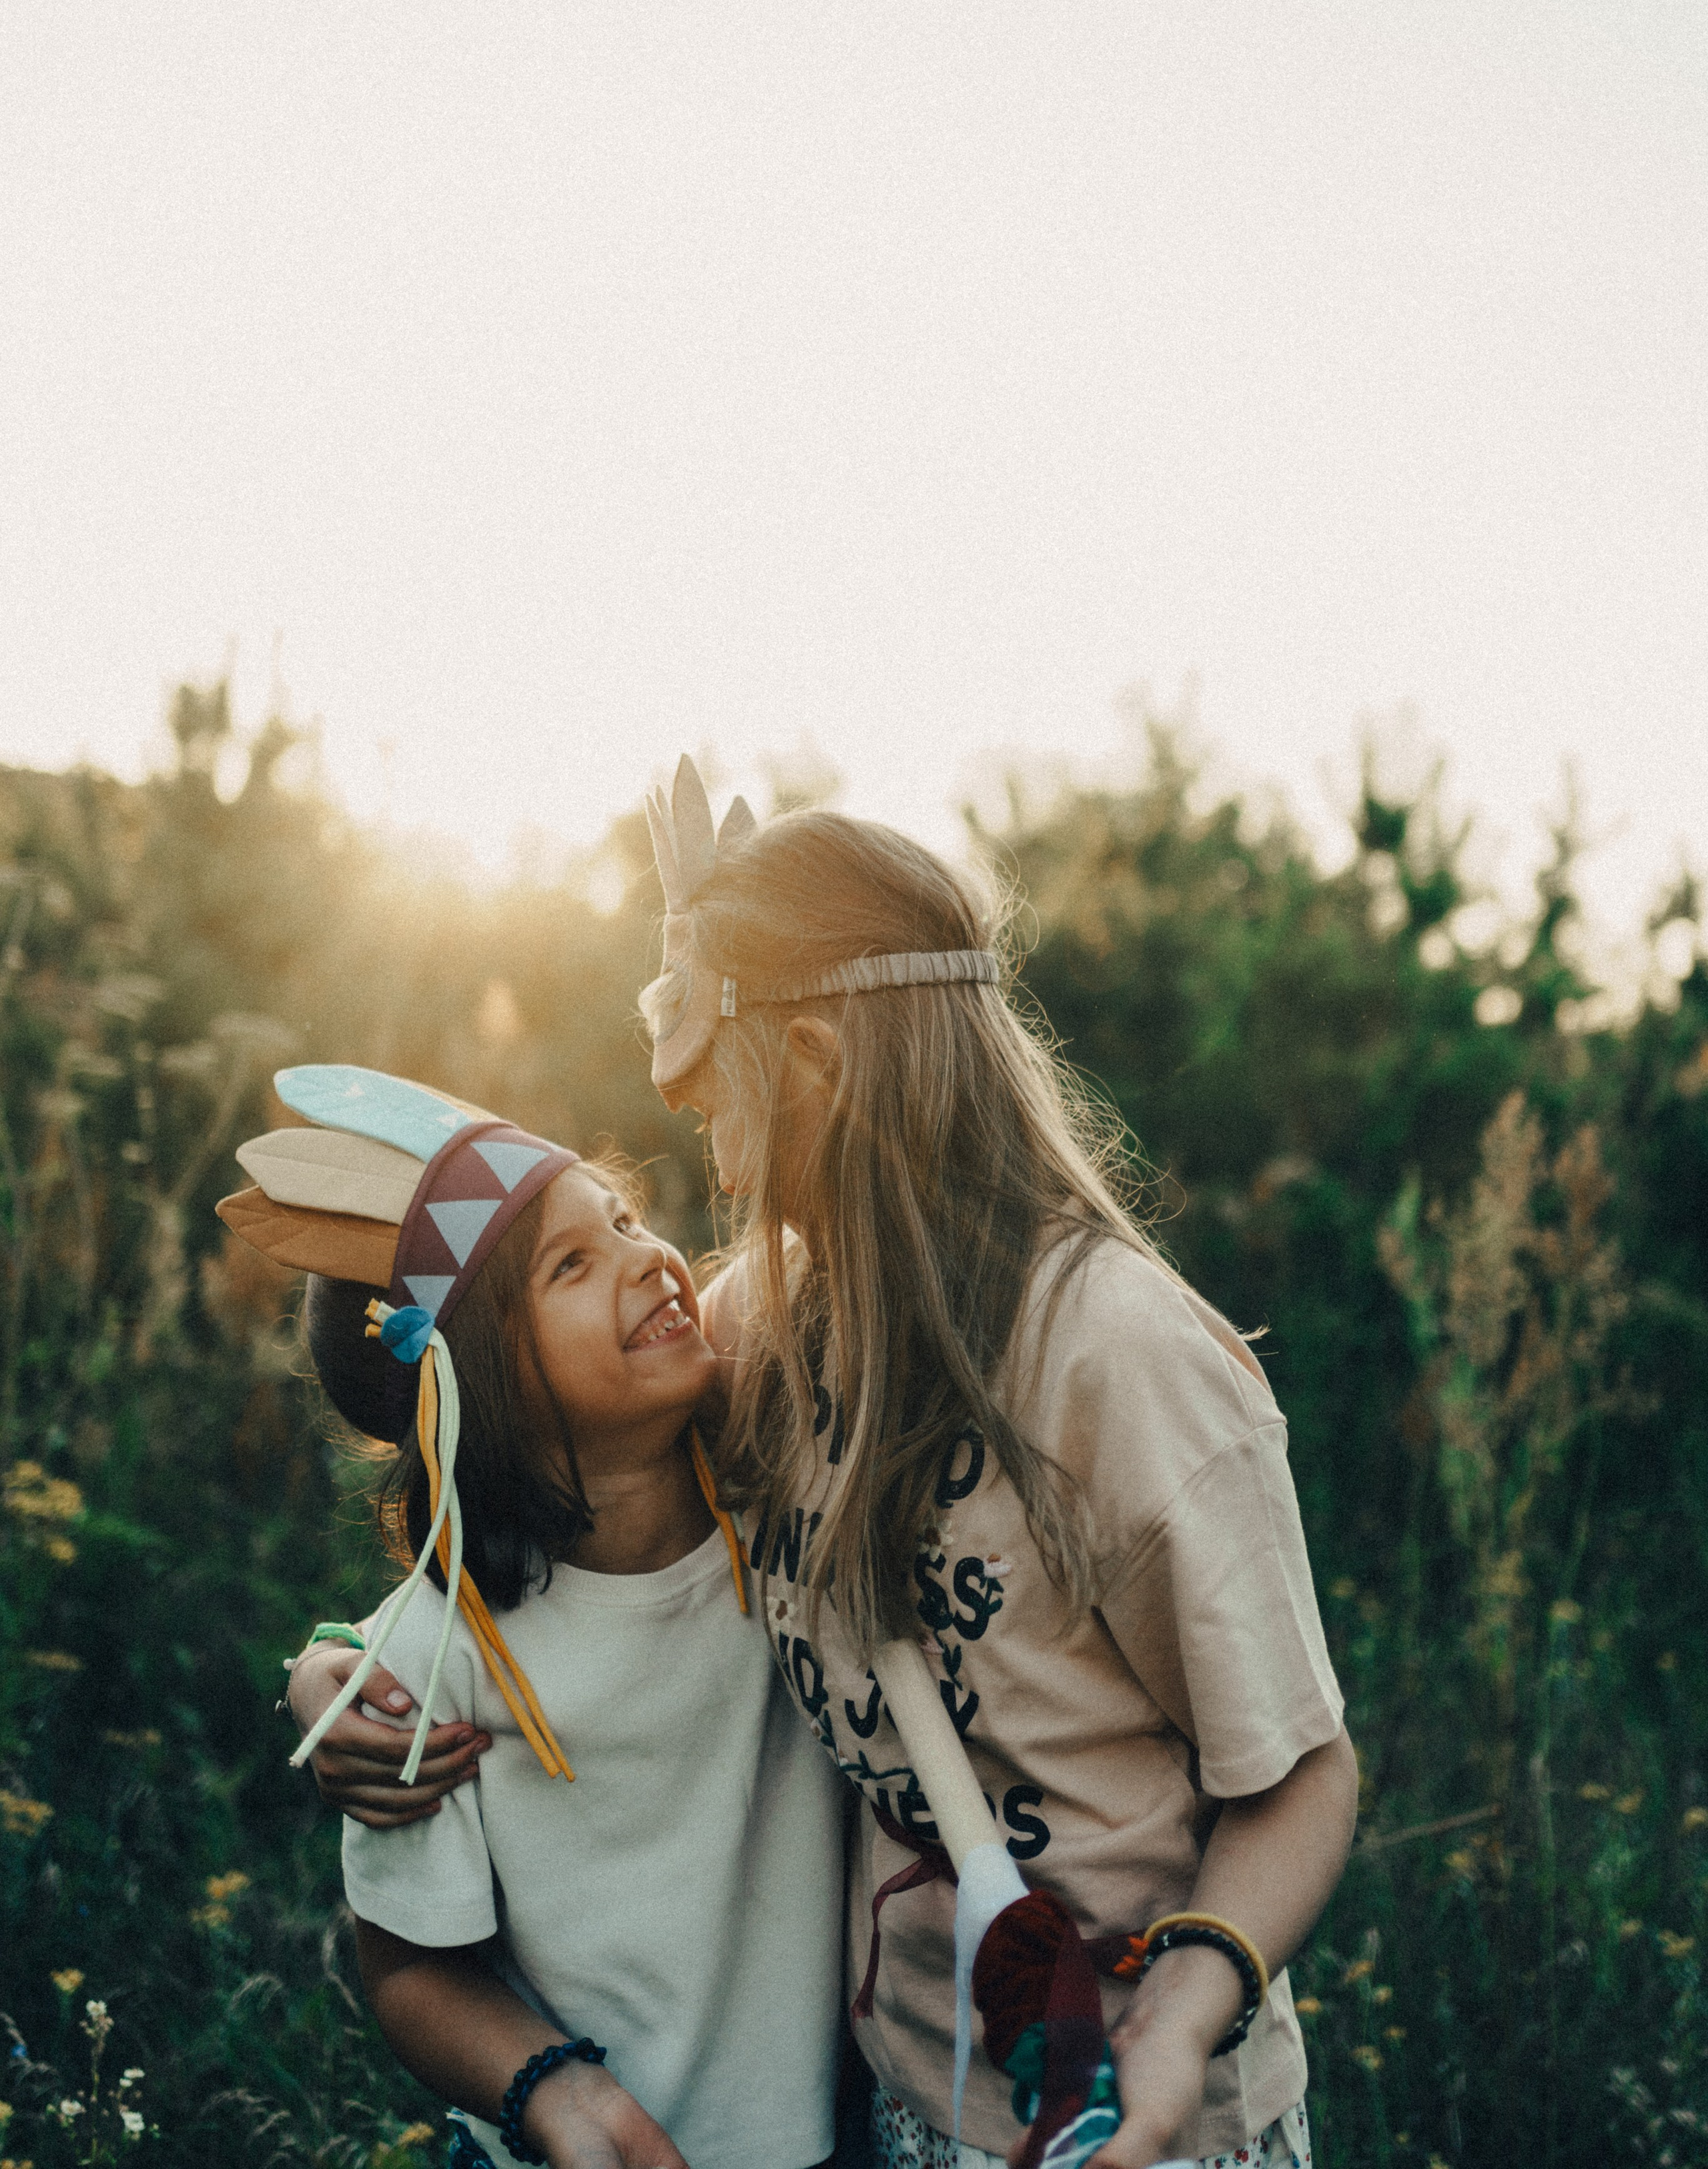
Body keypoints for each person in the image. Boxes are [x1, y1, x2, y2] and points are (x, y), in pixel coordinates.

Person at [306, 764, 1358, 2169]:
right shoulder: (764, 1328)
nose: (715, 1171)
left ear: (811, 1063)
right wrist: (339, 1673)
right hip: (901, 2091)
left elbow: (1300, 1771)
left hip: (1140, 2113)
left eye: (712, 1106)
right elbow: (530, 1463)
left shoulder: (1117, 1360)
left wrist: (1181, 2013)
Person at [229, 1061, 843, 2169]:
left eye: (625, 1221)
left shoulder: (792, 1505)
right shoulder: (432, 1663)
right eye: (573, 1263)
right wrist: (555, 2093)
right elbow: (411, 1971)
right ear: (480, 1381)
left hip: (846, 2134)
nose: (647, 1257)